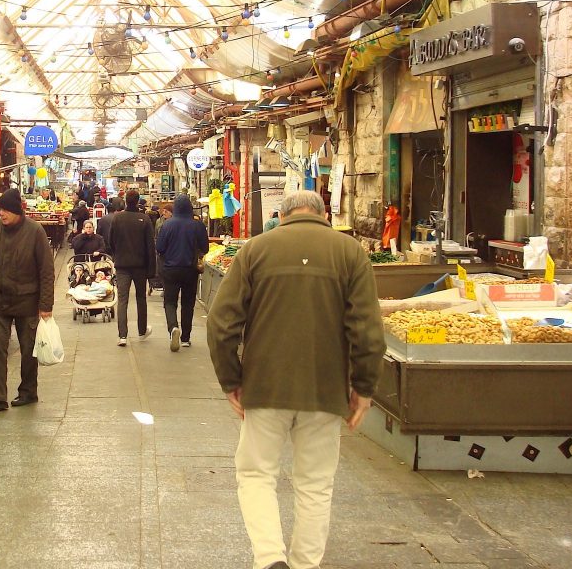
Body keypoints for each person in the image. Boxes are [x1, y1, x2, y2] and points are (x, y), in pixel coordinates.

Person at [207, 189, 386, 569]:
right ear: (322, 214)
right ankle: (305, 563)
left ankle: (271, 558)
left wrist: (230, 380)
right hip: (326, 388)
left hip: (264, 385)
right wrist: (364, 389)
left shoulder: (255, 250)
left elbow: (221, 323)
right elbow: (368, 330)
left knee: (256, 474)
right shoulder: (350, 252)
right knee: (316, 483)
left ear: (282, 215)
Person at [0, 189, 55, 411]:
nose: (2, 214)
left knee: (28, 349)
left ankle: (28, 391)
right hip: (0, 300)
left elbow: (47, 271)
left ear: (18, 211)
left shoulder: (35, 231)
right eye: (0, 209)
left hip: (28, 301)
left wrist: (45, 305)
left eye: (7, 210)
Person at [155, 194, 210, 351]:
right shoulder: (197, 225)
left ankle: (173, 328)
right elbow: (205, 248)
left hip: (170, 270)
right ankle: (186, 337)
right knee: (188, 303)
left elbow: (159, 248)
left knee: (170, 302)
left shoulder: (167, 225)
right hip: (190, 270)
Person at [107, 190, 156, 346]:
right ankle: (142, 331)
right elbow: (150, 246)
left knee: (122, 300)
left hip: (122, 265)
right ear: (138, 201)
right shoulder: (145, 219)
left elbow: (111, 241)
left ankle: (122, 335)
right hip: (140, 266)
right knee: (141, 298)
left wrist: (117, 255)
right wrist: (151, 270)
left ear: (126, 201)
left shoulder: (117, 218)